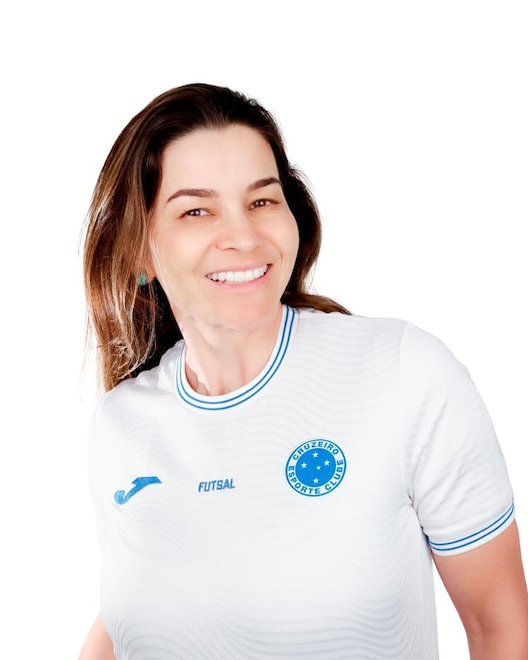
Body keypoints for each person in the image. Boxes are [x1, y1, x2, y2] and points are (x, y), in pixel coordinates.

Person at [79, 83, 528, 660]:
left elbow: (500, 626)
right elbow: (128, 620)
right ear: (138, 250)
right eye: (197, 210)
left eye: (262, 201)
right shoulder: (120, 423)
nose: (243, 236)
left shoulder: (404, 374)